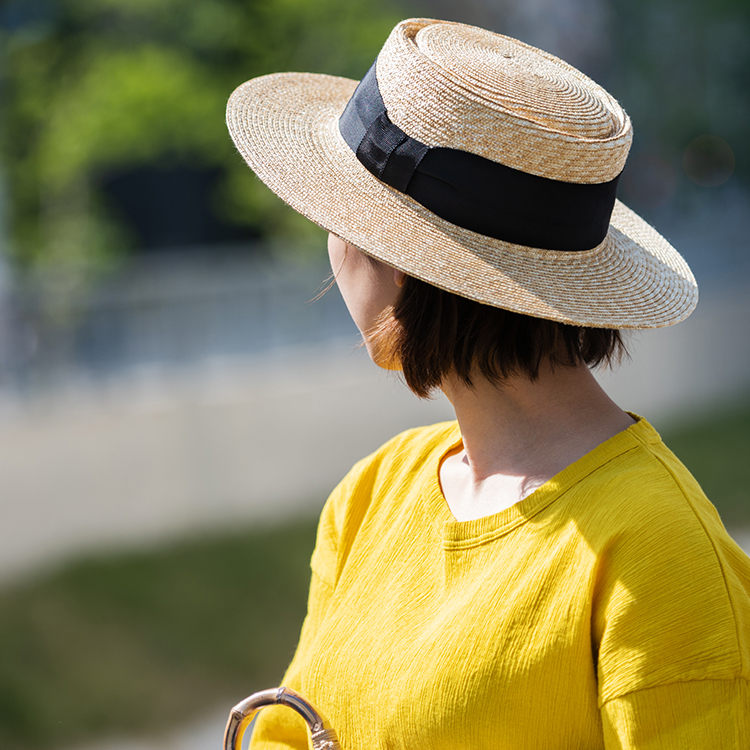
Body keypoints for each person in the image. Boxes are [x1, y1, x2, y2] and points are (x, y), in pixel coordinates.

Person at [226, 18, 750, 748]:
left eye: (336, 212)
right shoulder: (373, 495)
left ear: (394, 257)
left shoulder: (658, 554)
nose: (331, 242)